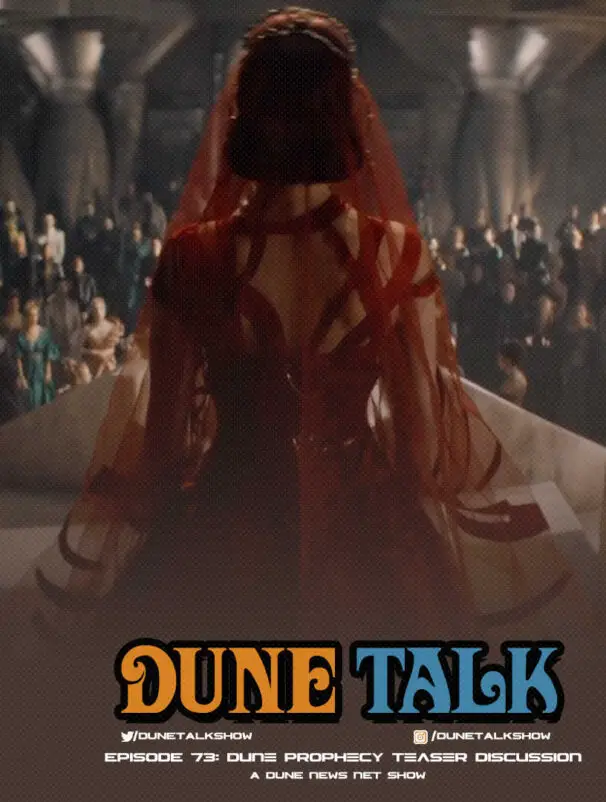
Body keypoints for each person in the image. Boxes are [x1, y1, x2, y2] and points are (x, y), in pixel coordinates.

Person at [24, 8, 589, 650]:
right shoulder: (394, 254)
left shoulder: (193, 257)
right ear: (343, 122)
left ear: (244, 120)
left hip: (230, 537)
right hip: (366, 540)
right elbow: (421, 456)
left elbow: (158, 456)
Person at [15, 299, 59, 410]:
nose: (34, 318)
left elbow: (48, 354)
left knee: (45, 399)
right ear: (27, 317)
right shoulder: (21, 335)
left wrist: (48, 372)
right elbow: (18, 358)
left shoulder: (44, 333)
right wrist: (21, 376)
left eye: (36, 315)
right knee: (31, 401)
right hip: (29, 371)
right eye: (31, 315)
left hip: (41, 370)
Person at [497, 341, 528, 407]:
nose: (498, 360)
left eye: (500, 357)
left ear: (507, 360)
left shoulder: (517, 380)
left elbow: (502, 405)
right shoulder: (509, 376)